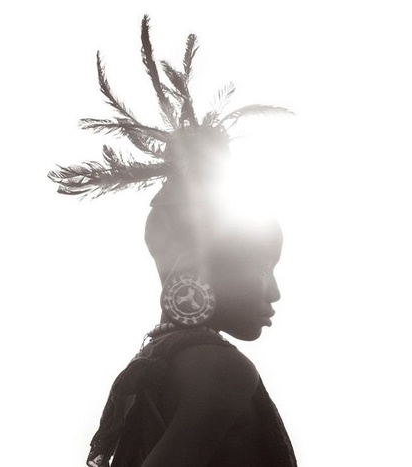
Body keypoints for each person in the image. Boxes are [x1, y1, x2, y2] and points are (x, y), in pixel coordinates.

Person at [48, 15, 297, 467]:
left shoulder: (155, 364)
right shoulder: (222, 369)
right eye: (262, 266)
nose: (275, 291)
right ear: (199, 264)